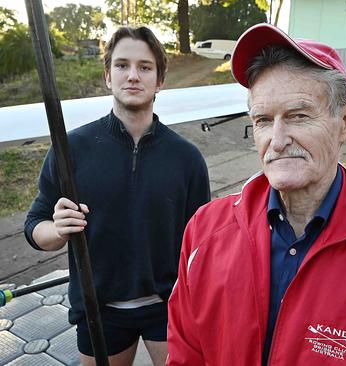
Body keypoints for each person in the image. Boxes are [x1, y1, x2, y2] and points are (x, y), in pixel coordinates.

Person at [167, 23, 346, 365]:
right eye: (262, 120)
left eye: (298, 116)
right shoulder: (205, 230)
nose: (277, 139)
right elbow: (186, 355)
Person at [24, 26, 210, 366]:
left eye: (145, 67)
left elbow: (203, 244)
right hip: (99, 310)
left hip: (169, 306)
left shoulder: (186, 158)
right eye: (122, 65)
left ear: (160, 80)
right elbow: (36, 226)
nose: (133, 76)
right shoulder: (71, 150)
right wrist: (58, 229)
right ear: (108, 76)